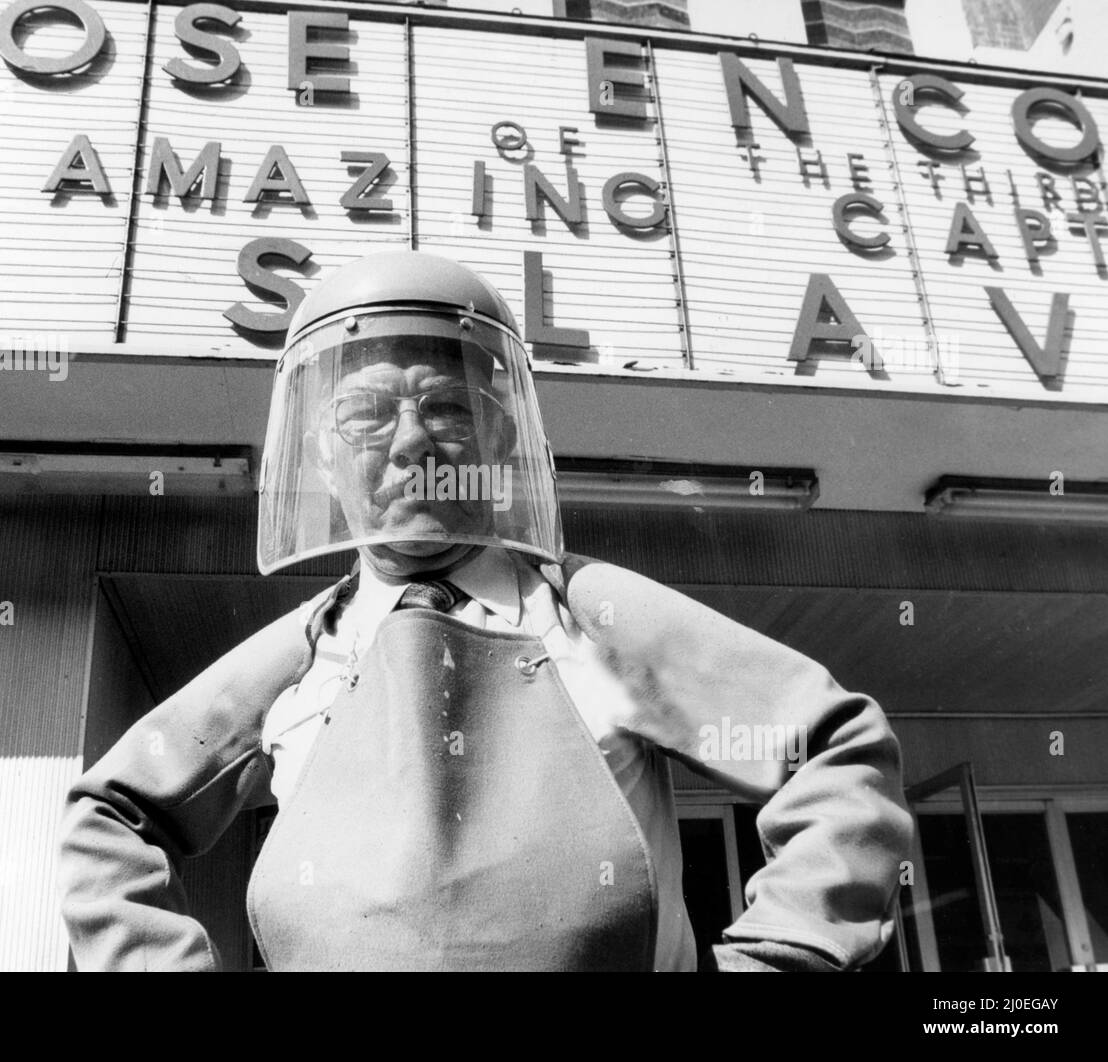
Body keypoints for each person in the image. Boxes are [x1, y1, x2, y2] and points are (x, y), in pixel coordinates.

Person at [57, 250, 913, 972]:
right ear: (320, 456)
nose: (410, 442)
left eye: (445, 408)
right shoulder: (300, 655)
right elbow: (111, 817)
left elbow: (836, 749)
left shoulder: (591, 616)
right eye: (364, 415)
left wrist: (779, 956)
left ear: (500, 441)